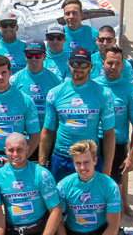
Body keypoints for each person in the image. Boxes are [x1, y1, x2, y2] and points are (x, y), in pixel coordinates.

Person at [50, 140, 124, 235]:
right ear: (73, 163)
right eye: (78, 163)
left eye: (87, 162)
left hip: (101, 234)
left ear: (95, 161)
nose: (83, 168)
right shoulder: (63, 186)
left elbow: (113, 226)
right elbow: (59, 224)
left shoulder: (109, 186)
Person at [39, 49, 116, 181]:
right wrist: (42, 165)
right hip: (62, 157)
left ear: (90, 67)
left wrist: (107, 169)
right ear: (69, 64)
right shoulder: (55, 93)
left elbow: (109, 133)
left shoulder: (103, 94)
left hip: (89, 159)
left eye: (84, 65)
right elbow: (48, 131)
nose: (79, 68)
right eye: (75, 64)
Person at [96, 47, 133, 217]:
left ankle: (122, 208)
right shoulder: (94, 85)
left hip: (118, 143)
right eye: (110, 63)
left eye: (117, 63)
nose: (113, 66)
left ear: (123, 65)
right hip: (94, 141)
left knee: (116, 183)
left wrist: (132, 156)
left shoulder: (130, 90)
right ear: (103, 63)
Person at [13, 41, 62, 129]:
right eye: (29, 55)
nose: (33, 59)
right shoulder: (14, 80)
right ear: (25, 56)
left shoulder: (55, 80)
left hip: (47, 130)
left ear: (44, 56)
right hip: (24, 132)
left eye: (38, 55)